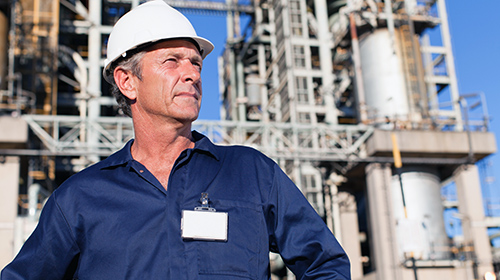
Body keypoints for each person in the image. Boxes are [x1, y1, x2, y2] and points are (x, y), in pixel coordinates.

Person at [1, 1, 350, 279]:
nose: (192, 74)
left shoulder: (252, 174)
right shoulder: (79, 199)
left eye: (195, 63)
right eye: (172, 61)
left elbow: (326, 265)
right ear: (127, 81)